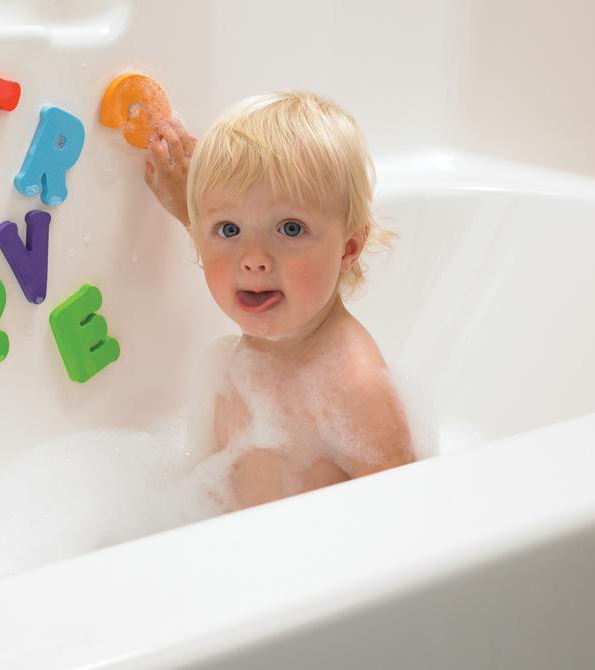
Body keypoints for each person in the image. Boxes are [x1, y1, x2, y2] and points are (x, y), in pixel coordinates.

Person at [143, 91, 416, 510]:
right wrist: (188, 208)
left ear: (348, 248)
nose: (253, 260)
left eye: (290, 229)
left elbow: (407, 515)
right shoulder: (280, 318)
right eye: (229, 229)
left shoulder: (354, 387)